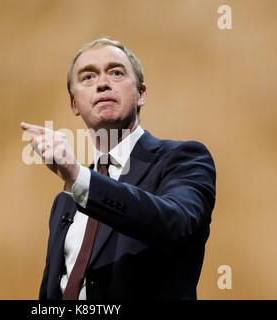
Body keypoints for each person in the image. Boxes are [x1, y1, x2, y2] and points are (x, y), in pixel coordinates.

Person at [20, 38, 216, 300]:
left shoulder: (183, 159)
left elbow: (175, 223)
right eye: (87, 77)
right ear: (74, 105)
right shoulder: (64, 203)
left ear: (141, 94)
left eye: (116, 72)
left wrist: (79, 178)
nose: (102, 83)